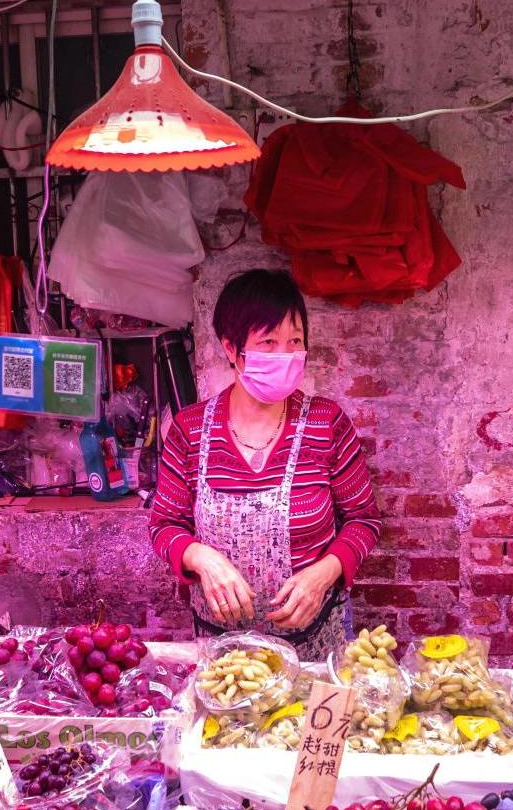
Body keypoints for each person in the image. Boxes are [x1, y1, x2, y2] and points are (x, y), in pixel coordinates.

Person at [148, 267, 380, 657]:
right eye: (268, 342)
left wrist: (325, 574)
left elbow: (364, 520)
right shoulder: (189, 430)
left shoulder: (326, 423)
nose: (285, 355)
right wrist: (200, 557)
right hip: (224, 652)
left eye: (295, 341)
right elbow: (164, 525)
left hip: (314, 643)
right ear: (230, 348)